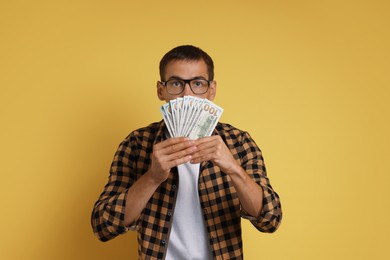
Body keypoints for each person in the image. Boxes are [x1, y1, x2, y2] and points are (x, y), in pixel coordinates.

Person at [91, 45, 282, 259]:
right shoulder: (137, 144)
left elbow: (271, 219)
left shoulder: (238, 142)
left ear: (212, 90)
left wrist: (233, 169)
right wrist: (152, 178)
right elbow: (103, 226)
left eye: (198, 84)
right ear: (160, 90)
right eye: (176, 84)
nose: (187, 94)